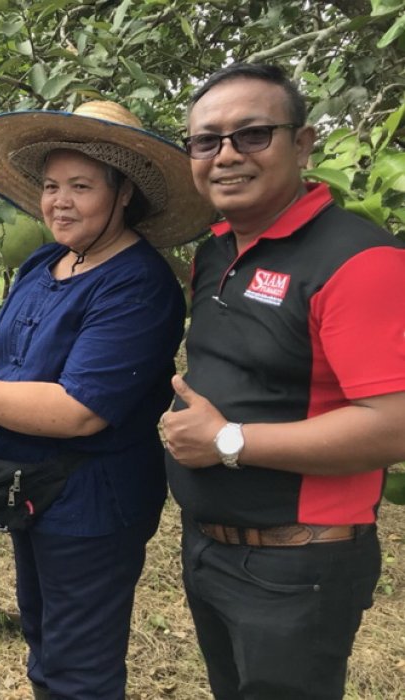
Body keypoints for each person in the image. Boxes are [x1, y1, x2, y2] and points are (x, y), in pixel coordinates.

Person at [0, 102, 216, 699]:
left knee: (80, 670)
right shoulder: (44, 261)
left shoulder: (138, 285)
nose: (59, 201)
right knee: (44, 645)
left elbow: (78, 411)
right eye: (52, 185)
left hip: (91, 508)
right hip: (32, 494)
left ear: (123, 191)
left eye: (81, 187)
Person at [161, 63, 405, 699]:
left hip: (298, 565)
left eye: (252, 135)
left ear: (302, 144)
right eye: (206, 141)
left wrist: (228, 441)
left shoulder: (358, 260)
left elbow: (395, 423)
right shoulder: (216, 251)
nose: (227, 155)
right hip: (211, 548)